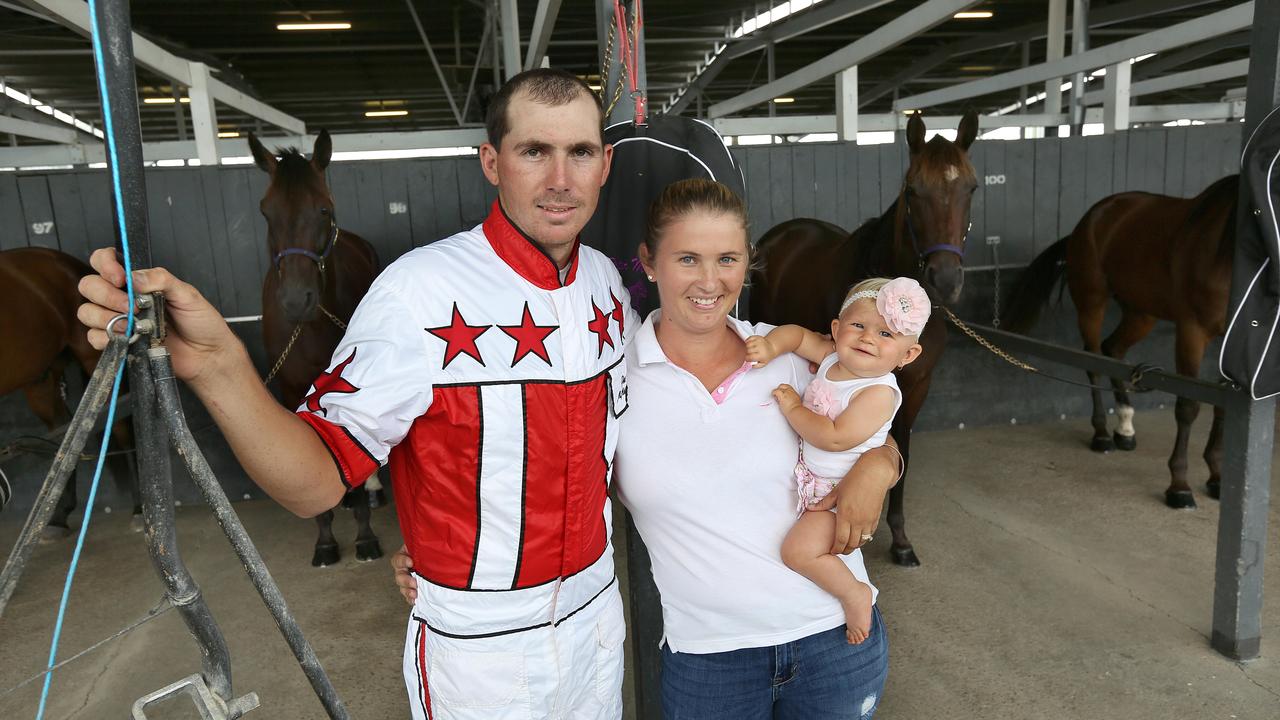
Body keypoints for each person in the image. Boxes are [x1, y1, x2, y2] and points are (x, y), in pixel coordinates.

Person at [79, 68, 637, 720]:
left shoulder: (609, 284)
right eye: (534, 151)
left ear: (606, 164)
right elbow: (315, 482)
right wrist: (216, 365)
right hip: (483, 645)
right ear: (492, 161)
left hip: (599, 619)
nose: (560, 179)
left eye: (580, 152)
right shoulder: (416, 291)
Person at [395, 179, 903, 719]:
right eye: (687, 258)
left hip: (837, 640)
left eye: (727, 258)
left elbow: (869, 429)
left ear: (747, 263)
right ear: (650, 263)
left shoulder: (788, 355)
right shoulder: (612, 376)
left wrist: (880, 466)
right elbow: (538, 479)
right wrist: (441, 552)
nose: (710, 281)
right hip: (710, 663)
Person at [745, 276, 927, 645]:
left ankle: (853, 593)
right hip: (815, 482)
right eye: (858, 325)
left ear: (907, 355)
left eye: (886, 335)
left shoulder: (878, 392)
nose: (867, 338)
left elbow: (833, 437)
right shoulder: (832, 357)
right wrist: (770, 345)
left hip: (837, 497)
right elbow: (796, 336)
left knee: (798, 551)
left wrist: (794, 406)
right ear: (836, 328)